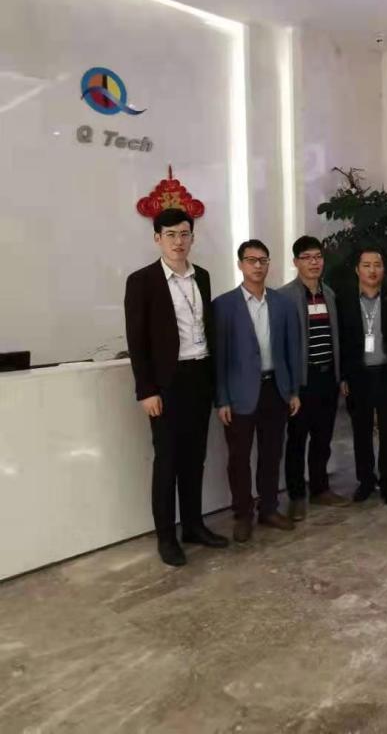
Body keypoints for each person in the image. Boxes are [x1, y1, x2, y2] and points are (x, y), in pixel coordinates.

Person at [124, 208, 228, 566]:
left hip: (199, 376)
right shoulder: (142, 281)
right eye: (170, 234)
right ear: (157, 238)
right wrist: (146, 390)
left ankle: (194, 526)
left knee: (195, 459)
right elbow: (137, 341)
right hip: (166, 384)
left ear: (192, 238)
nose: (178, 241)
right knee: (167, 461)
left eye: (184, 234)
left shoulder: (203, 277)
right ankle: (166, 537)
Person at [213, 240, 302, 543]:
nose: (257, 266)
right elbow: (220, 357)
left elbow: (291, 350)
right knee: (239, 458)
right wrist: (222, 398)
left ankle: (269, 508)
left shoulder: (282, 304)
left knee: (271, 454)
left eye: (263, 260)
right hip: (239, 394)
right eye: (251, 260)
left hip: (275, 389)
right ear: (240, 264)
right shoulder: (224, 306)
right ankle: (242, 514)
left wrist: (293, 391)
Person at [278, 236, 350, 520]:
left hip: (327, 377)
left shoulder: (329, 294)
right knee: (297, 440)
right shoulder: (284, 297)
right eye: (307, 257)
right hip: (301, 381)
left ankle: (320, 489)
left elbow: (337, 338)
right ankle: (297, 496)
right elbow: (281, 346)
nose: (314, 262)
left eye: (318, 257)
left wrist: (340, 376)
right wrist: (290, 388)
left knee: (323, 437)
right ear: (296, 262)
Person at [337, 248, 387, 507]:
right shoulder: (345, 301)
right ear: (357, 269)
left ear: (383, 269)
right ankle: (366, 481)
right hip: (358, 376)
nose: (372, 270)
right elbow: (342, 342)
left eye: (377, 265)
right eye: (366, 265)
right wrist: (343, 376)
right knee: (361, 431)